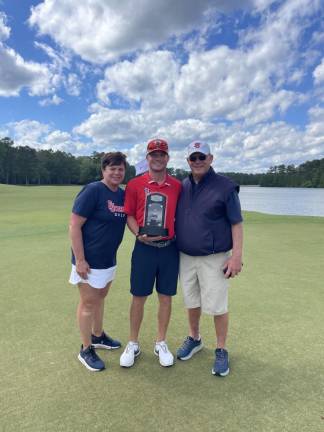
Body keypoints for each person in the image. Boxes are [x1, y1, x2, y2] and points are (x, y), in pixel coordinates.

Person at [175, 141, 243, 377]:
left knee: (217, 306)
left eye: (201, 157)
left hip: (214, 258)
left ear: (211, 158)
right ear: (188, 161)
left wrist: (236, 256)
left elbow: (236, 223)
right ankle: (195, 338)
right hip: (185, 256)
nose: (197, 161)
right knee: (191, 301)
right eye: (193, 158)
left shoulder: (225, 187)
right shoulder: (182, 186)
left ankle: (221, 349)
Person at [119, 138, 181, 368]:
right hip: (144, 248)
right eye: (153, 154)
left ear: (167, 158)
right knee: (139, 296)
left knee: (165, 297)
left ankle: (160, 342)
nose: (157, 158)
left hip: (169, 249)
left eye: (162, 154)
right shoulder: (135, 184)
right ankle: (133, 343)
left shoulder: (177, 185)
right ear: (148, 158)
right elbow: (130, 216)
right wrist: (138, 234)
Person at [69, 152, 127, 372]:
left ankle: (98, 336)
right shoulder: (93, 190)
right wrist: (80, 260)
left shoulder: (121, 195)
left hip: (108, 260)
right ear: (103, 170)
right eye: (112, 168)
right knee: (88, 304)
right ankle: (85, 349)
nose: (116, 172)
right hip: (88, 261)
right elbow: (74, 226)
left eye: (120, 169)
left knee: (101, 297)